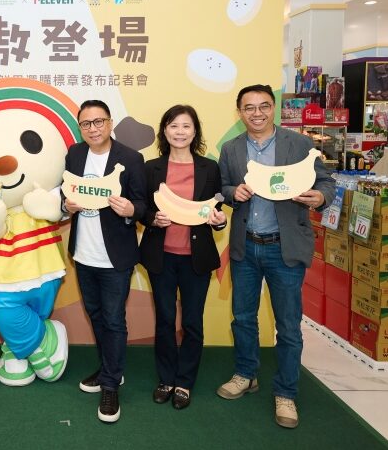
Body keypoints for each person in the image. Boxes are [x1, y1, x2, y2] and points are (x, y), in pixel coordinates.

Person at [216, 84, 335, 429]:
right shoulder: (232, 149)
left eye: (264, 106)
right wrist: (232, 193)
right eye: (249, 107)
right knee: (243, 317)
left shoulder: (298, 144)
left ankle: (285, 392)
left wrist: (319, 197)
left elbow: (326, 182)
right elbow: (222, 187)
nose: (257, 113)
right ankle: (246, 374)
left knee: (288, 325)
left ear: (273, 108)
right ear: (239, 112)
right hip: (245, 245)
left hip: (285, 246)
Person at [63, 100, 146, 423]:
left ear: (110, 123)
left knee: (113, 320)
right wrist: (66, 205)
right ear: (80, 128)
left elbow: (143, 205)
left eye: (99, 122)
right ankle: (109, 369)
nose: (93, 128)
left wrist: (131, 210)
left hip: (115, 257)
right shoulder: (75, 154)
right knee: (96, 315)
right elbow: (65, 192)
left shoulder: (131, 158)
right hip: (83, 254)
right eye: (86, 124)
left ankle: (111, 385)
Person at [139, 105, 227, 411]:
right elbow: (142, 208)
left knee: (192, 321)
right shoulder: (151, 168)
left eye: (186, 126)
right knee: (164, 320)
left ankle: (184, 381)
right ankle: (166, 378)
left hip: (196, 258)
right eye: (173, 125)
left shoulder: (209, 168)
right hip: (161, 257)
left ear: (195, 131)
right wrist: (153, 219)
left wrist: (219, 222)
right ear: (164, 131)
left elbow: (216, 210)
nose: (180, 132)